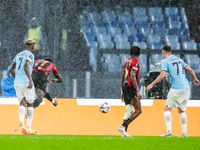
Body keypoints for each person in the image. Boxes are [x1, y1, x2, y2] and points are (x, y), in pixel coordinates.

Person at [146, 46, 200, 137]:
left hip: (176, 88)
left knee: (167, 108)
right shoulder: (179, 60)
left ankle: (169, 132)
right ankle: (184, 133)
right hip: (186, 87)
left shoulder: (166, 62)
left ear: (164, 53)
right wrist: (195, 79)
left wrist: (151, 84)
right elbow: (190, 69)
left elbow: (162, 76)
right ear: (170, 52)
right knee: (181, 110)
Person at [9, 39, 37, 135]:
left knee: (22, 103)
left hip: (17, 83)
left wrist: (17, 77)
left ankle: (21, 123)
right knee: (30, 103)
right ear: (32, 46)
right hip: (26, 82)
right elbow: (26, 65)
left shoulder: (18, 55)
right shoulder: (30, 55)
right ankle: (29, 128)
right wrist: (29, 80)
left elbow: (11, 68)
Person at [118, 46, 142, 137]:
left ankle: (124, 132)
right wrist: (138, 90)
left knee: (129, 109)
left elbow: (123, 75)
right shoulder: (135, 61)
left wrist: (122, 90)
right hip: (130, 87)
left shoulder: (127, 61)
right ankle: (123, 126)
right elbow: (132, 76)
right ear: (138, 53)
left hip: (125, 86)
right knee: (138, 110)